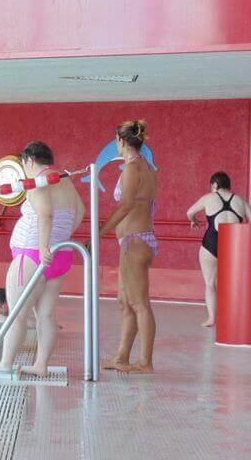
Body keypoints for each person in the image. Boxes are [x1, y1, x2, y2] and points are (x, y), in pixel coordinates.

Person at [0, 141, 85, 376]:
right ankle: (40, 365)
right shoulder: (64, 180)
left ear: (29, 161)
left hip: (34, 255)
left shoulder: (38, 181)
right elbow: (80, 211)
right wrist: (61, 236)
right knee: (45, 315)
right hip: (60, 255)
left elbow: (45, 213)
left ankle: (5, 364)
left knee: (18, 314)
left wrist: (44, 245)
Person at [100, 120, 158, 374]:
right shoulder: (144, 166)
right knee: (126, 302)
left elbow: (125, 206)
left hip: (135, 240)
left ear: (121, 141)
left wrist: (98, 233)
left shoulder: (134, 168)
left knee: (139, 303)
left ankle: (145, 362)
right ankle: (122, 357)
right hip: (134, 240)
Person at [187, 172, 251, 327]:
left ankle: (212, 319)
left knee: (210, 283)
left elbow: (190, 212)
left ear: (215, 185)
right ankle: (233, 317)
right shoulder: (240, 201)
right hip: (234, 246)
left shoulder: (209, 198)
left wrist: (194, 221)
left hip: (211, 244)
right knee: (233, 283)